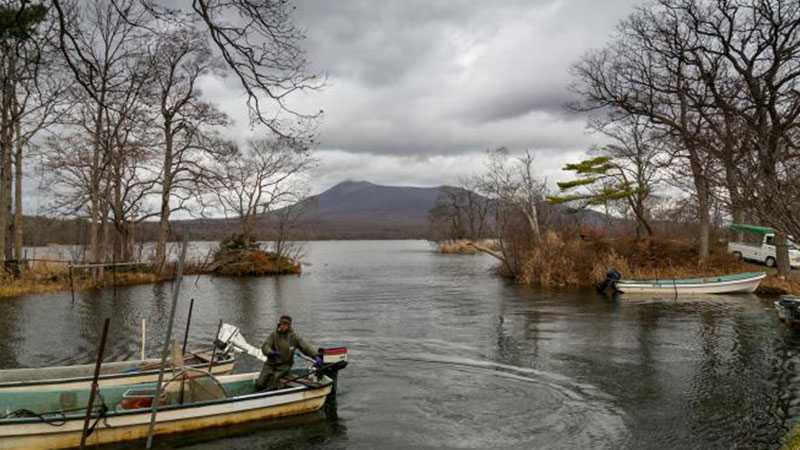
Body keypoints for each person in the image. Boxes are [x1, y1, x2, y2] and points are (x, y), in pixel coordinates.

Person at [255, 315, 321, 391]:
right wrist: (270, 352)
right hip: (270, 364)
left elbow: (305, 347)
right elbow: (266, 346)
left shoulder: (294, 337)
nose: (284, 326)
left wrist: (315, 355)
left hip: (284, 366)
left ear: (289, 325)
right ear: (279, 324)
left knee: (273, 383)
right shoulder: (274, 335)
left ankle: (277, 386)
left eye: (286, 324)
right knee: (259, 384)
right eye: (282, 324)